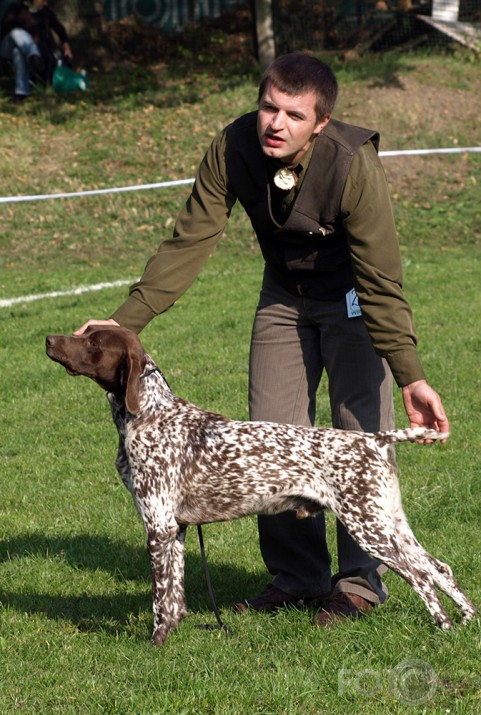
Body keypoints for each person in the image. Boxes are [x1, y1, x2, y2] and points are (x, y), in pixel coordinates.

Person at [75, 53, 449, 626]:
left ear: (320, 122)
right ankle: (298, 577)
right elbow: (188, 241)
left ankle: (357, 585)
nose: (275, 123)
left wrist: (410, 373)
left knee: (356, 434)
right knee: (271, 432)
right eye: (268, 107)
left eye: (293, 115)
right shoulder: (233, 147)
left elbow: (380, 277)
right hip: (283, 295)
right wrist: (121, 326)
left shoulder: (353, 164)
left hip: (351, 296)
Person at [0, 0, 72, 102]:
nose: (46, 3)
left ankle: (21, 92)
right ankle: (34, 56)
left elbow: (59, 29)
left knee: (18, 52)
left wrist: (66, 45)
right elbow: (4, 30)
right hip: (7, 46)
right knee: (16, 33)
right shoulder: (16, 8)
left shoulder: (46, 12)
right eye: (43, 0)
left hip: (26, 50)